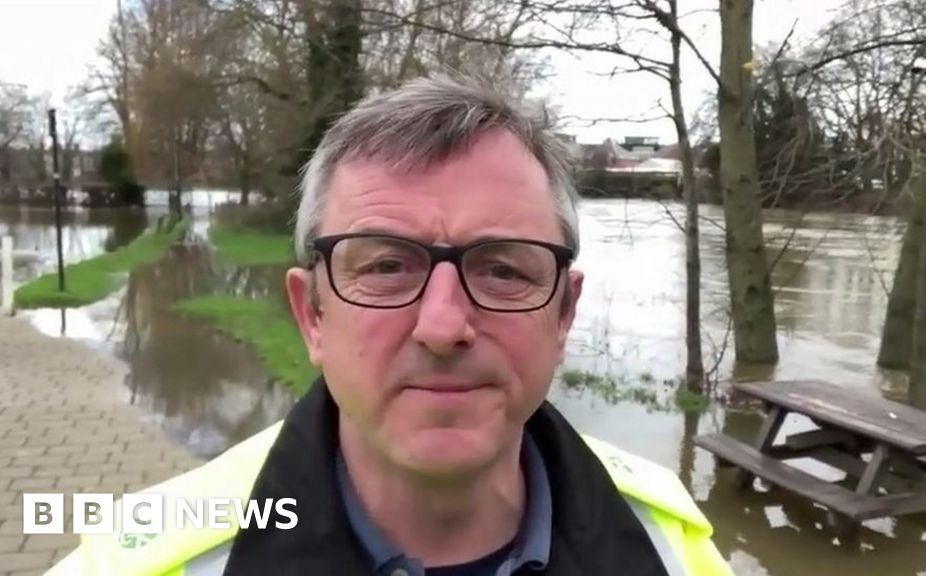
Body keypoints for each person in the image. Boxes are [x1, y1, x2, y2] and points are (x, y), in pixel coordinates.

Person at [46, 74, 733, 576]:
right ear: (311, 314)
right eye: (385, 267)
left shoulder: (670, 546)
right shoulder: (143, 560)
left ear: (564, 314)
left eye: (503, 270)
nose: (443, 326)